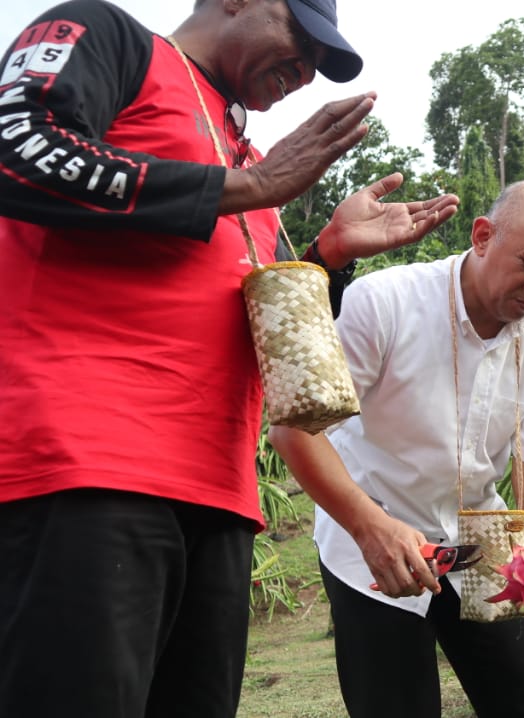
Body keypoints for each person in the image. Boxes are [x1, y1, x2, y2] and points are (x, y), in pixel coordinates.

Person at [0, 1, 459, 716]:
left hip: (217, 495)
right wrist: (250, 187)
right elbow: (17, 149)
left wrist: (327, 255)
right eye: (300, 43)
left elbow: (260, 322)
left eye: (317, 66)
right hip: (89, 464)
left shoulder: (244, 160)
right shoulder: (112, 39)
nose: (304, 74)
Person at [268, 180, 524, 718]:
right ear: (482, 237)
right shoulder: (386, 302)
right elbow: (296, 431)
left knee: (523, 703)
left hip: (481, 538)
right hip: (371, 534)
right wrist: (369, 528)